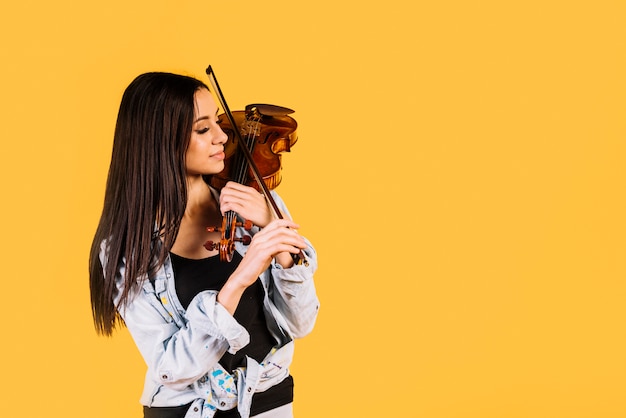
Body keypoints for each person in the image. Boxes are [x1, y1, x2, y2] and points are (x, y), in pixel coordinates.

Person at [88, 72, 320, 418]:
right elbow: (172, 367)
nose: (223, 136)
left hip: (268, 400)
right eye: (202, 129)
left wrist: (276, 235)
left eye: (218, 122)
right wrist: (240, 278)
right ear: (159, 141)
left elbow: (300, 324)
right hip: (187, 410)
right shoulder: (125, 248)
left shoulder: (259, 204)